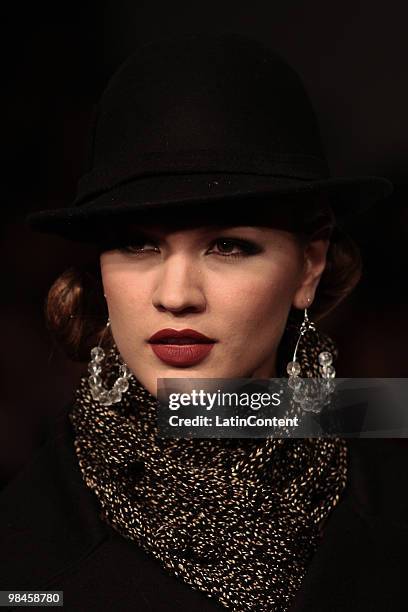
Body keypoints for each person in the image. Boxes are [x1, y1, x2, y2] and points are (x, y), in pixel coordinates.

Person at [1, 34, 406, 612]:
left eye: (228, 245)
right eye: (137, 245)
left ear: (309, 267)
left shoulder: (382, 472)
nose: (176, 296)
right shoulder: (26, 566)